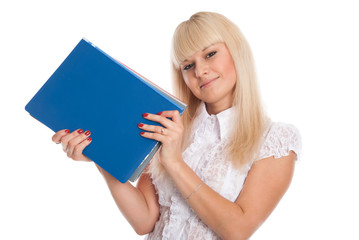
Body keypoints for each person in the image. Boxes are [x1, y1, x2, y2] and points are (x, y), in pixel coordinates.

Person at [52, 11, 302, 240]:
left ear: (237, 52)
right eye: (188, 65)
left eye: (210, 54)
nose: (201, 71)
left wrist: (174, 163)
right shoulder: (170, 127)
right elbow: (145, 222)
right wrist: (101, 156)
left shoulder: (275, 139)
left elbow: (237, 230)